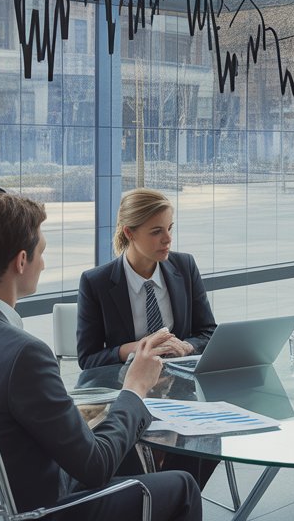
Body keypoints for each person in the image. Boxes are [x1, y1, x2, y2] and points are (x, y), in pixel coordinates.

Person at [0, 191, 201, 521]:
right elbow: (95, 468)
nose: (44, 263)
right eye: (41, 252)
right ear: (21, 261)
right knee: (181, 485)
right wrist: (135, 388)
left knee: (117, 444)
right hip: (37, 512)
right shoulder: (23, 353)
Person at [77, 187, 219, 484]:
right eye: (156, 232)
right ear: (129, 232)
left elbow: (208, 332)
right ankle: (168, 495)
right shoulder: (97, 283)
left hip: (181, 394)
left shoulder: (185, 266)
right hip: (128, 394)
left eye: (169, 229)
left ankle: (171, 496)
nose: (167, 239)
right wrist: (138, 348)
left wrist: (186, 346)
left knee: (209, 438)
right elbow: (88, 358)